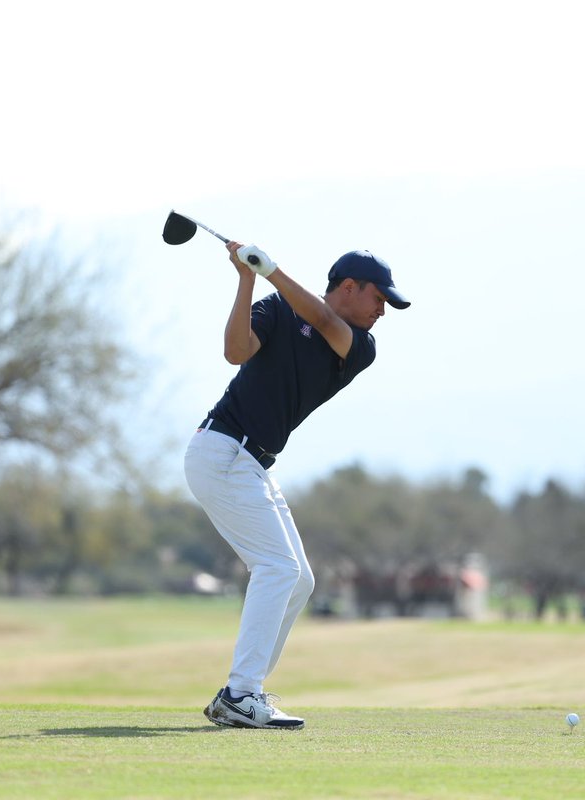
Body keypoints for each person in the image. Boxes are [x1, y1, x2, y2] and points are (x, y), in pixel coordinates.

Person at [184, 240, 410, 729]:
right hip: (222, 451)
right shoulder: (277, 308)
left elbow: (327, 322)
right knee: (278, 568)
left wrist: (271, 270)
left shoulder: (359, 345)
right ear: (349, 287)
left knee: (298, 579)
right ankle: (241, 693)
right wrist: (248, 279)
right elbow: (234, 351)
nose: (382, 311)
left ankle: (243, 692)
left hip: (251, 463)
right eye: (379, 299)